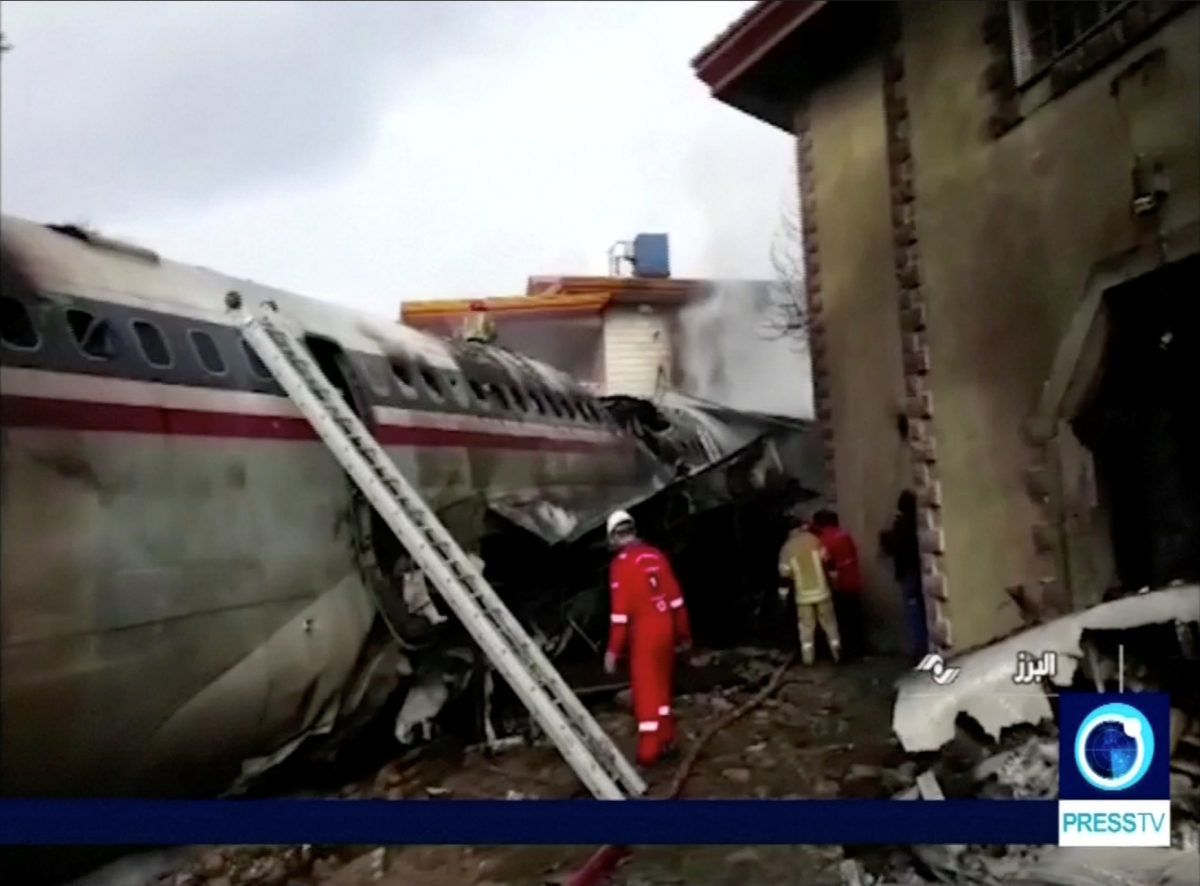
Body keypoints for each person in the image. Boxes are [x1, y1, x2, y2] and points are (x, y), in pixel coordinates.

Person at [603, 509, 692, 767]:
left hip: (644, 632)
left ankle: (649, 751)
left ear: (614, 537)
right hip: (666, 627)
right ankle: (666, 738)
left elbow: (620, 615)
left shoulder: (621, 565)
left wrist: (612, 650)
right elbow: (676, 600)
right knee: (663, 688)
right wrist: (684, 634)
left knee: (645, 692)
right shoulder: (657, 556)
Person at [778, 513, 841, 665]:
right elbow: (829, 562)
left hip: (803, 597)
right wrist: (834, 581)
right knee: (830, 625)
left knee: (806, 630)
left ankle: (808, 660)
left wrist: (783, 598)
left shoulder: (786, 549)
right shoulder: (814, 540)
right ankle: (837, 654)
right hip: (823, 592)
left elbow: (784, 578)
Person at [880, 490, 927, 658]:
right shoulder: (919, 522)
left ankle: (920, 648)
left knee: (913, 611)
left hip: (907, 572)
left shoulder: (901, 525)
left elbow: (895, 547)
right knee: (922, 608)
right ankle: (926, 644)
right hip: (919, 571)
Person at [812, 509, 865, 658]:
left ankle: (846, 653)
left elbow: (827, 563)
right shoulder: (844, 535)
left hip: (839, 585)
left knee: (842, 621)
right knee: (855, 618)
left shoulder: (824, 540)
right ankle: (859, 649)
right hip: (854, 581)